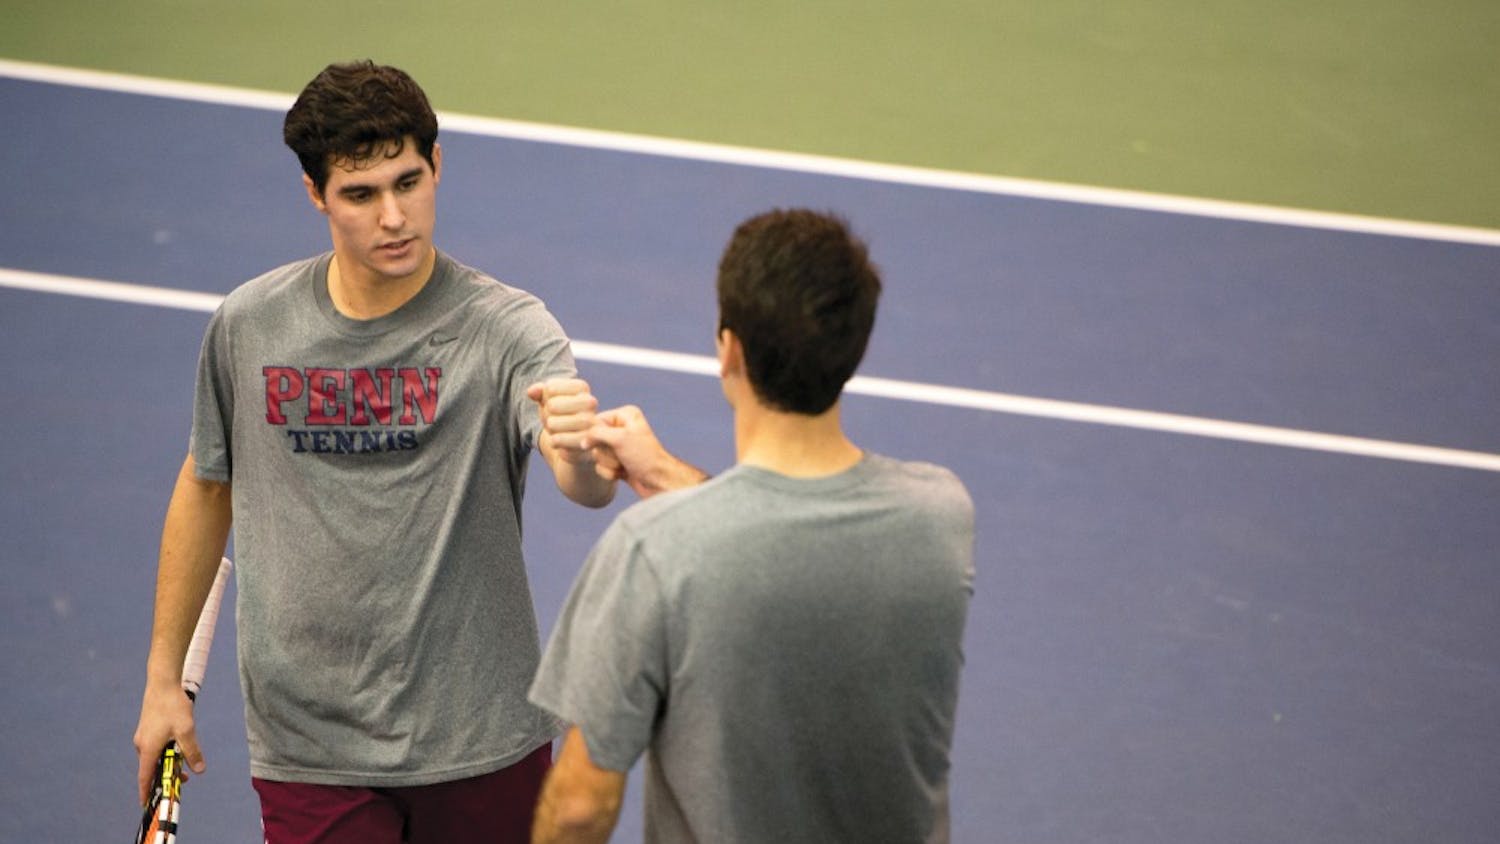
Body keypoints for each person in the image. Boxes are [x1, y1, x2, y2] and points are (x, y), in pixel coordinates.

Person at [132, 60, 617, 842]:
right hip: (312, 745)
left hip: (481, 737)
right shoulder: (249, 326)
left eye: (409, 181)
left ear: (437, 167)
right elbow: (207, 485)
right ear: (316, 195)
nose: (394, 216)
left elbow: (581, 483)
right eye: (361, 194)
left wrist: (583, 453)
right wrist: (163, 681)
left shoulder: (508, 329)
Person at [528, 209, 977, 843]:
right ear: (856, 348)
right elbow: (786, 536)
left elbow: (579, 808)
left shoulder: (653, 552)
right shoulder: (940, 517)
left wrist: (666, 495)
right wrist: (661, 473)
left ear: (729, 349)